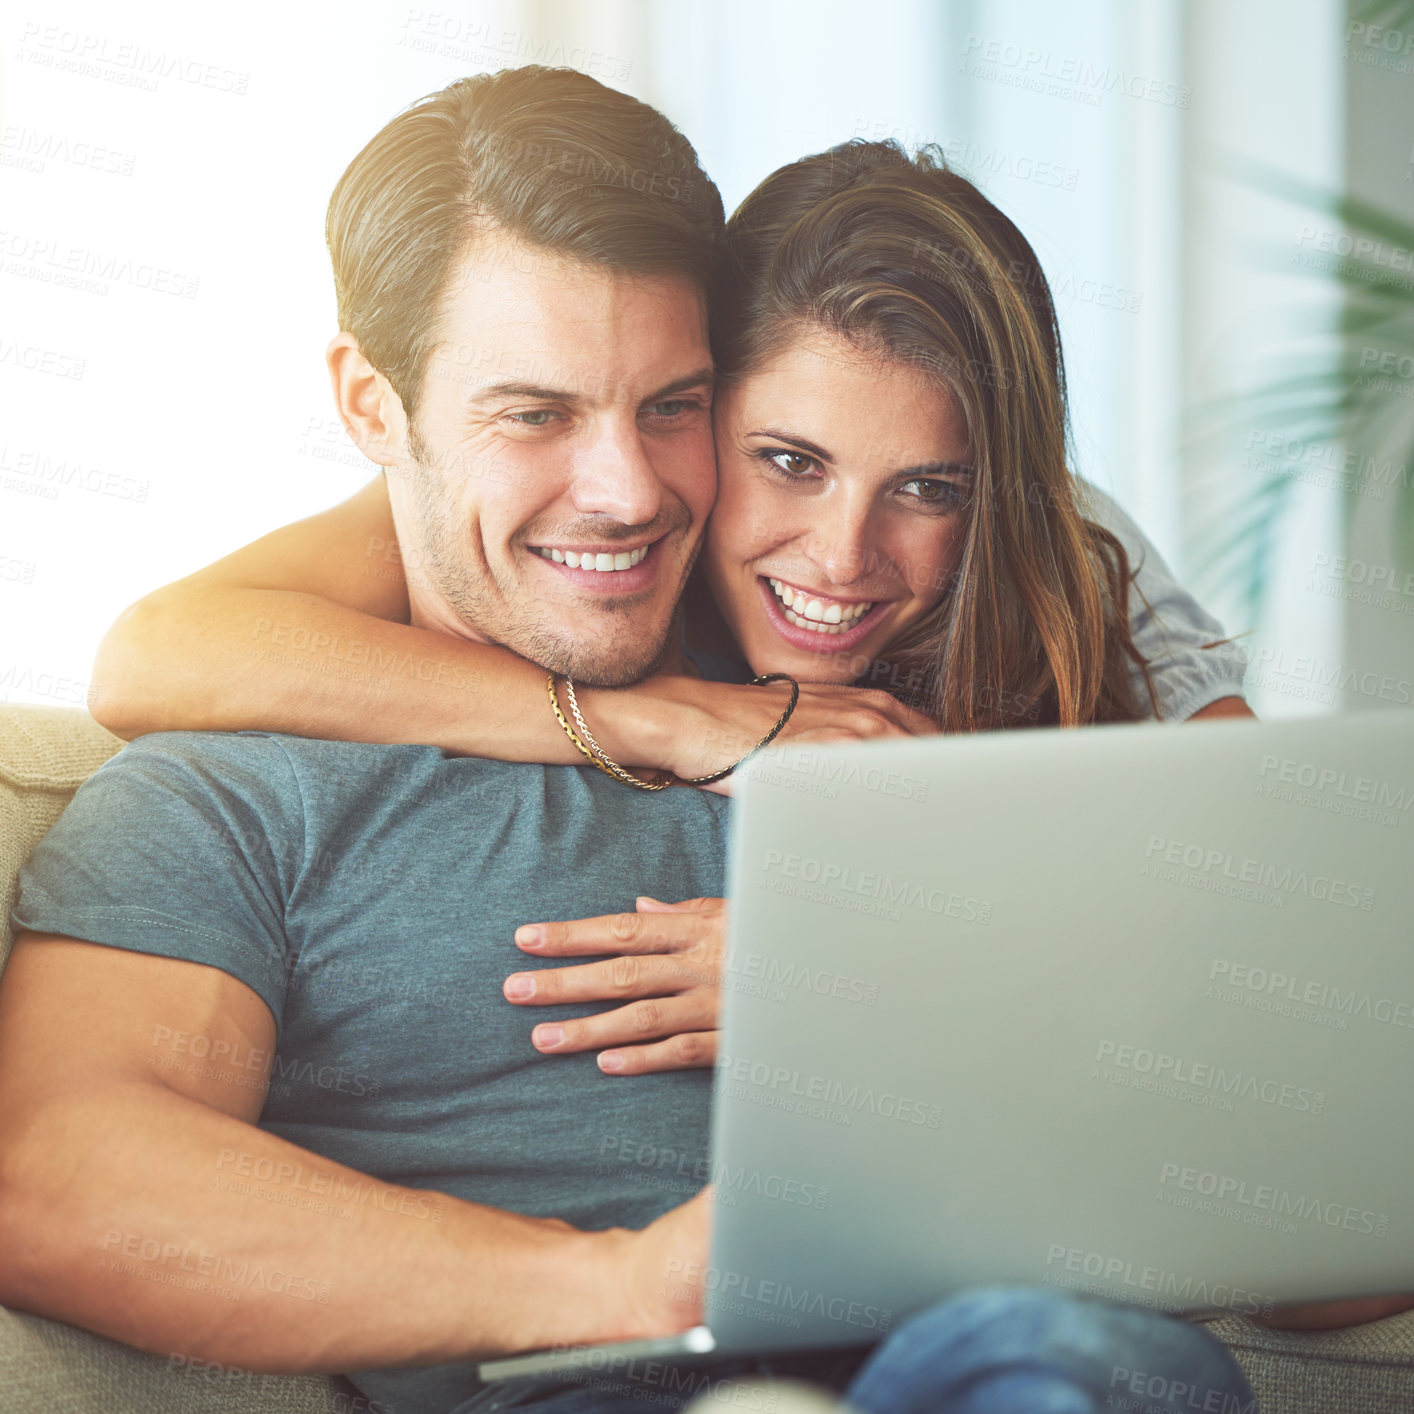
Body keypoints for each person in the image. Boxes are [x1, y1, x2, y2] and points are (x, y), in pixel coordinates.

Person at [0, 67, 1264, 1414]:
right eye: (535, 412)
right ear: (374, 407)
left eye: (670, 405)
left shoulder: (890, 667)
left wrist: (904, 985)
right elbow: (62, 1173)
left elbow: (1323, 1215)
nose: (626, 492)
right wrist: (613, 1285)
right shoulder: (234, 786)